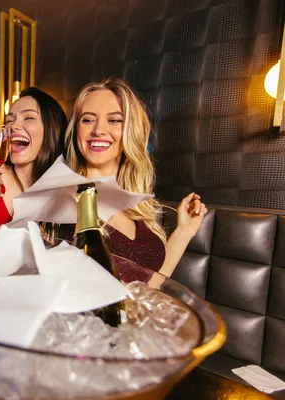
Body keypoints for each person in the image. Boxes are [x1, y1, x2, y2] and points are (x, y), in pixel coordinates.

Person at [64, 77, 207, 279]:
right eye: (87, 119)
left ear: (131, 130)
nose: (98, 130)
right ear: (76, 129)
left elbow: (149, 286)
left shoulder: (136, 203)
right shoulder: (63, 202)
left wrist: (185, 231)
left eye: (114, 120)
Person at [0, 87, 67, 226]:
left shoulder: (66, 187)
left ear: (52, 129)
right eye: (9, 120)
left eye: (28, 118)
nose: (14, 125)